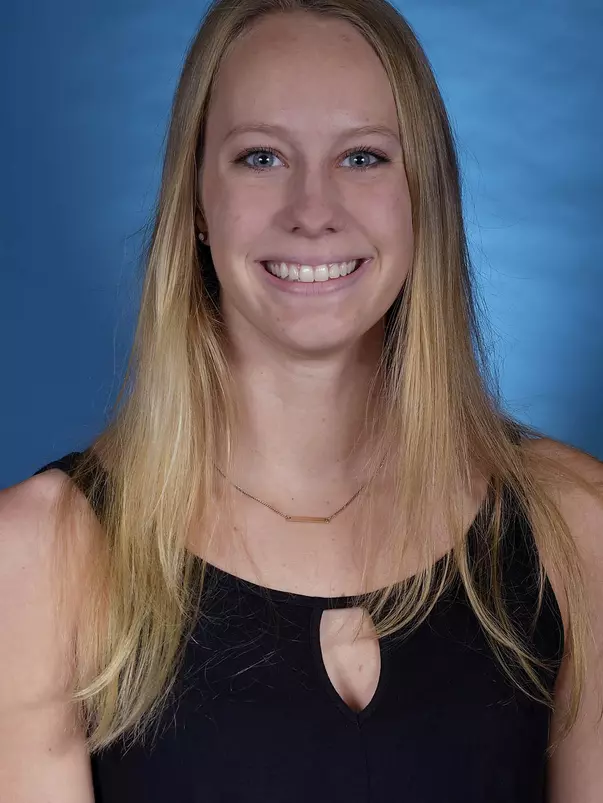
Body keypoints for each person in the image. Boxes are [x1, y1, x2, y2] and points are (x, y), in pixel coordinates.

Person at [2, 0, 603, 800]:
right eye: (260, 158)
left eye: (362, 158)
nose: (312, 212)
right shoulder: (40, 556)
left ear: (425, 197)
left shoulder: (575, 524)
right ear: (196, 204)